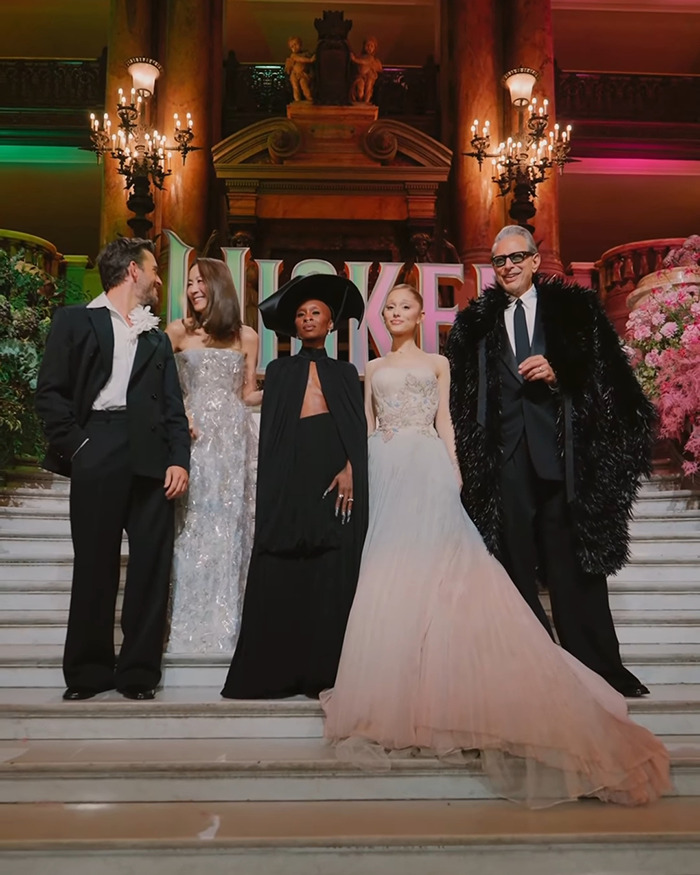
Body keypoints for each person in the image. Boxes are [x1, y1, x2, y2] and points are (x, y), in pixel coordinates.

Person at [321, 284, 670, 808]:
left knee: (444, 564)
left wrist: (456, 470)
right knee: (387, 566)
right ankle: (391, 679)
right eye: (389, 308)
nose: (395, 313)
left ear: (421, 314)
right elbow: (367, 428)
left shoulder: (439, 363)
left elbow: (446, 421)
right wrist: (360, 469)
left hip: (427, 464)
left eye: (405, 306)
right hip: (385, 467)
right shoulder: (371, 367)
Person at [445, 226, 656, 699]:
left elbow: (607, 376)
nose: (509, 267)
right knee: (513, 560)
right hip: (505, 457)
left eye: (517, 257)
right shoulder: (475, 323)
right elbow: (461, 397)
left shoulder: (574, 311)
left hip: (562, 453)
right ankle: (532, 665)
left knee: (572, 561)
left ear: (536, 261)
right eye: (500, 261)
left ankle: (596, 666)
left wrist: (561, 373)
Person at [35, 237, 190, 701]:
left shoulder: (156, 337)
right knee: (94, 566)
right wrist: (80, 447)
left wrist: (178, 459)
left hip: (152, 457)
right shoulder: (75, 321)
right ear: (133, 271)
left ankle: (138, 673)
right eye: (154, 270)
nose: (160, 280)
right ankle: (88, 673)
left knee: (150, 568)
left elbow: (174, 409)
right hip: (97, 445)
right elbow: (50, 394)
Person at [221, 273, 368, 699]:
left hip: (334, 475)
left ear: (330, 323)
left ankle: (327, 670)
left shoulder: (345, 373)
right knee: (285, 558)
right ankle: (281, 670)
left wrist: (351, 468)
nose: (307, 318)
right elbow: (273, 436)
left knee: (332, 564)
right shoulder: (280, 371)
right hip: (291, 474)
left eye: (315, 313)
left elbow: (356, 429)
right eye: (301, 314)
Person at [165, 258, 260, 654]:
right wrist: (179, 413)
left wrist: (287, 390)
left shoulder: (246, 336)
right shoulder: (178, 332)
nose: (193, 289)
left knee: (230, 527)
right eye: (189, 283)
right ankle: (185, 626)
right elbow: (157, 384)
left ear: (219, 285)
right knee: (191, 526)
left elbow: (247, 393)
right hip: (193, 437)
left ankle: (228, 624)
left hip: (233, 441)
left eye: (200, 281)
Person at [350, 37, 382, 104]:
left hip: (369, 78)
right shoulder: (359, 56)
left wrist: (355, 60)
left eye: (371, 46)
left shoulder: (371, 59)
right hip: (360, 77)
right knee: (360, 89)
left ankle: (366, 102)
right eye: (367, 45)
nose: (369, 48)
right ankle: (359, 101)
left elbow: (365, 62)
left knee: (368, 87)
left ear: (374, 48)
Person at [285, 36, 315, 103]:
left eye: (296, 44)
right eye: (292, 46)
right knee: (295, 88)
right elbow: (299, 59)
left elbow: (310, 67)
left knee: (305, 87)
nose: (294, 47)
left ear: (300, 44)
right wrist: (310, 60)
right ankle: (297, 101)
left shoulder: (306, 54)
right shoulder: (293, 55)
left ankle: (310, 99)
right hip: (294, 74)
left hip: (303, 74)